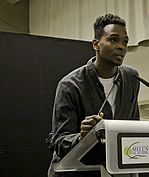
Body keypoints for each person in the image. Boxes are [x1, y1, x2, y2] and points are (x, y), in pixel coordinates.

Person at [46, 13, 140, 177]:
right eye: (113, 40)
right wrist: (82, 137)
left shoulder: (132, 78)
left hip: (115, 170)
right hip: (76, 171)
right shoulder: (70, 85)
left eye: (125, 42)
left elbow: (133, 126)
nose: (121, 46)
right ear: (96, 44)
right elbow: (59, 141)